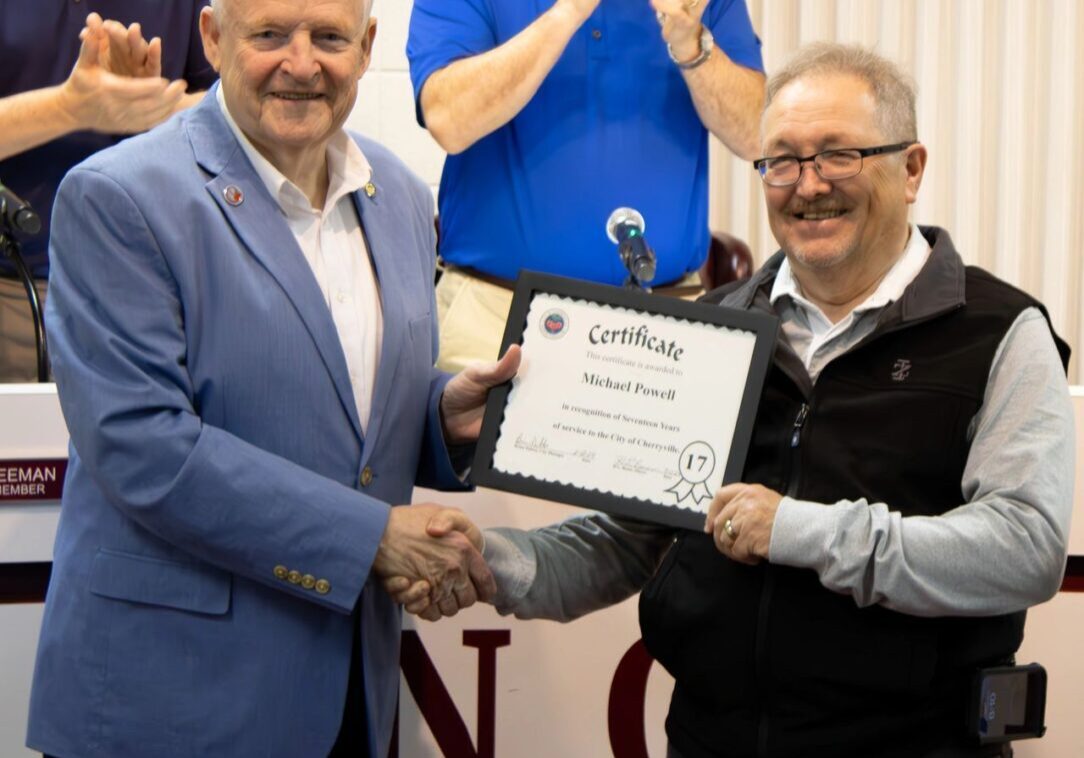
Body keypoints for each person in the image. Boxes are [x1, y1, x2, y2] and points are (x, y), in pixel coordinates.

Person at [391, 43, 1076, 757]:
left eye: (838, 154)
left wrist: (797, 531)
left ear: (910, 169)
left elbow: (1023, 551)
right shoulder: (712, 328)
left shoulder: (1000, 333)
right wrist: (486, 563)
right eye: (781, 160)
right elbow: (630, 541)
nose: (807, 186)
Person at [26, 0, 517, 756]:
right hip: (170, 703)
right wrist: (373, 538)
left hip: (349, 690)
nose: (301, 63)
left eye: (328, 37)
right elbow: (145, 447)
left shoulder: (403, 198)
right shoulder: (118, 197)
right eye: (269, 35)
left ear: (367, 46)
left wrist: (437, 415)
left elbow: (337, 406)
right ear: (214, 38)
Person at [406, 0, 766, 372]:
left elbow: (758, 134)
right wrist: (571, 11)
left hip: (666, 318)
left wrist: (691, 45)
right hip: (495, 317)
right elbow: (448, 119)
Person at [0, 3, 215, 381]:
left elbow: (244, 101)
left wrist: (150, 110)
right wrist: (71, 108)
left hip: (159, 285)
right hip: (14, 293)